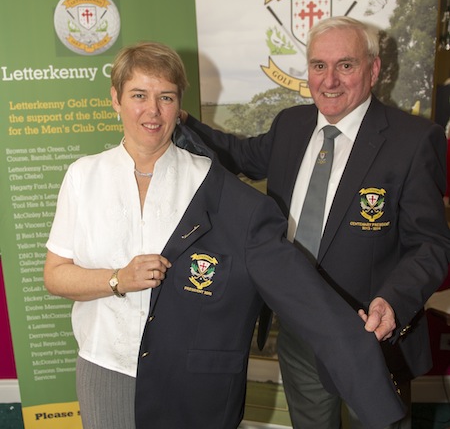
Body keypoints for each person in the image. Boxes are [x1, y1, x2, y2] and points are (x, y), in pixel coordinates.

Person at [44, 41, 405, 429]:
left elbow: (303, 296)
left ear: (179, 106)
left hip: (190, 383)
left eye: (165, 97)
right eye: (138, 95)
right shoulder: (83, 177)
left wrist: (372, 388)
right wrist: (117, 279)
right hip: (106, 366)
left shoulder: (220, 192)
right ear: (115, 99)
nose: (152, 110)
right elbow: (55, 275)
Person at [182, 16, 450, 429]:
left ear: (373, 69)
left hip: (371, 338)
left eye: (345, 65)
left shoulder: (413, 141)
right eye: (318, 66)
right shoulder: (292, 124)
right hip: (299, 331)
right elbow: (236, 154)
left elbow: (431, 244)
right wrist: (178, 121)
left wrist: (393, 301)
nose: (329, 80)